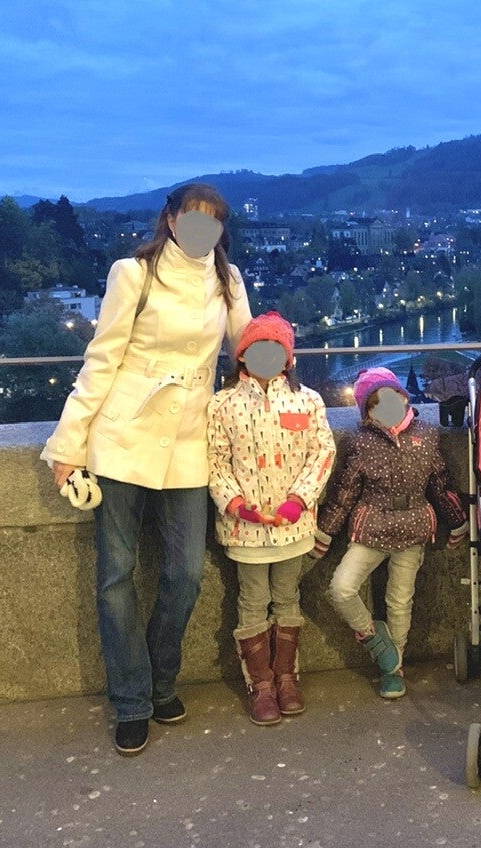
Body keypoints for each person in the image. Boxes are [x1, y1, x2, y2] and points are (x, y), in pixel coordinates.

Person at [41, 183, 250, 755]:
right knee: (116, 576)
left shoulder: (228, 280)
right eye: (193, 218)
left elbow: (248, 349)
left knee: (186, 573)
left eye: (214, 222)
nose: (203, 230)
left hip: (189, 442)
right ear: (171, 220)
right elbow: (101, 359)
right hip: (123, 436)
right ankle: (133, 700)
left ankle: (161, 678)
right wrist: (68, 444)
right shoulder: (132, 274)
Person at [207, 311, 337, 726]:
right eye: (258, 348)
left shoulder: (308, 400)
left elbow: (323, 453)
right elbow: (215, 461)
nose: (267, 356)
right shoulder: (222, 404)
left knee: (287, 597)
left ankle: (286, 677)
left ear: (288, 358)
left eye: (275, 349)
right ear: (242, 356)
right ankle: (260, 684)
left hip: (293, 526)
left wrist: (300, 500)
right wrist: (235, 504)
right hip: (244, 529)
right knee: (252, 601)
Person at [320, 367, 467, 699]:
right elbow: (345, 491)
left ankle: (393, 667)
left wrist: (457, 520)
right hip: (372, 526)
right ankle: (375, 637)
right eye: (376, 404)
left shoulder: (427, 435)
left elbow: (440, 484)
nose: (386, 408)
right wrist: (327, 530)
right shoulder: (361, 441)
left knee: (400, 601)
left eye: (392, 398)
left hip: (413, 527)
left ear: (403, 397)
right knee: (342, 587)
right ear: (367, 412)